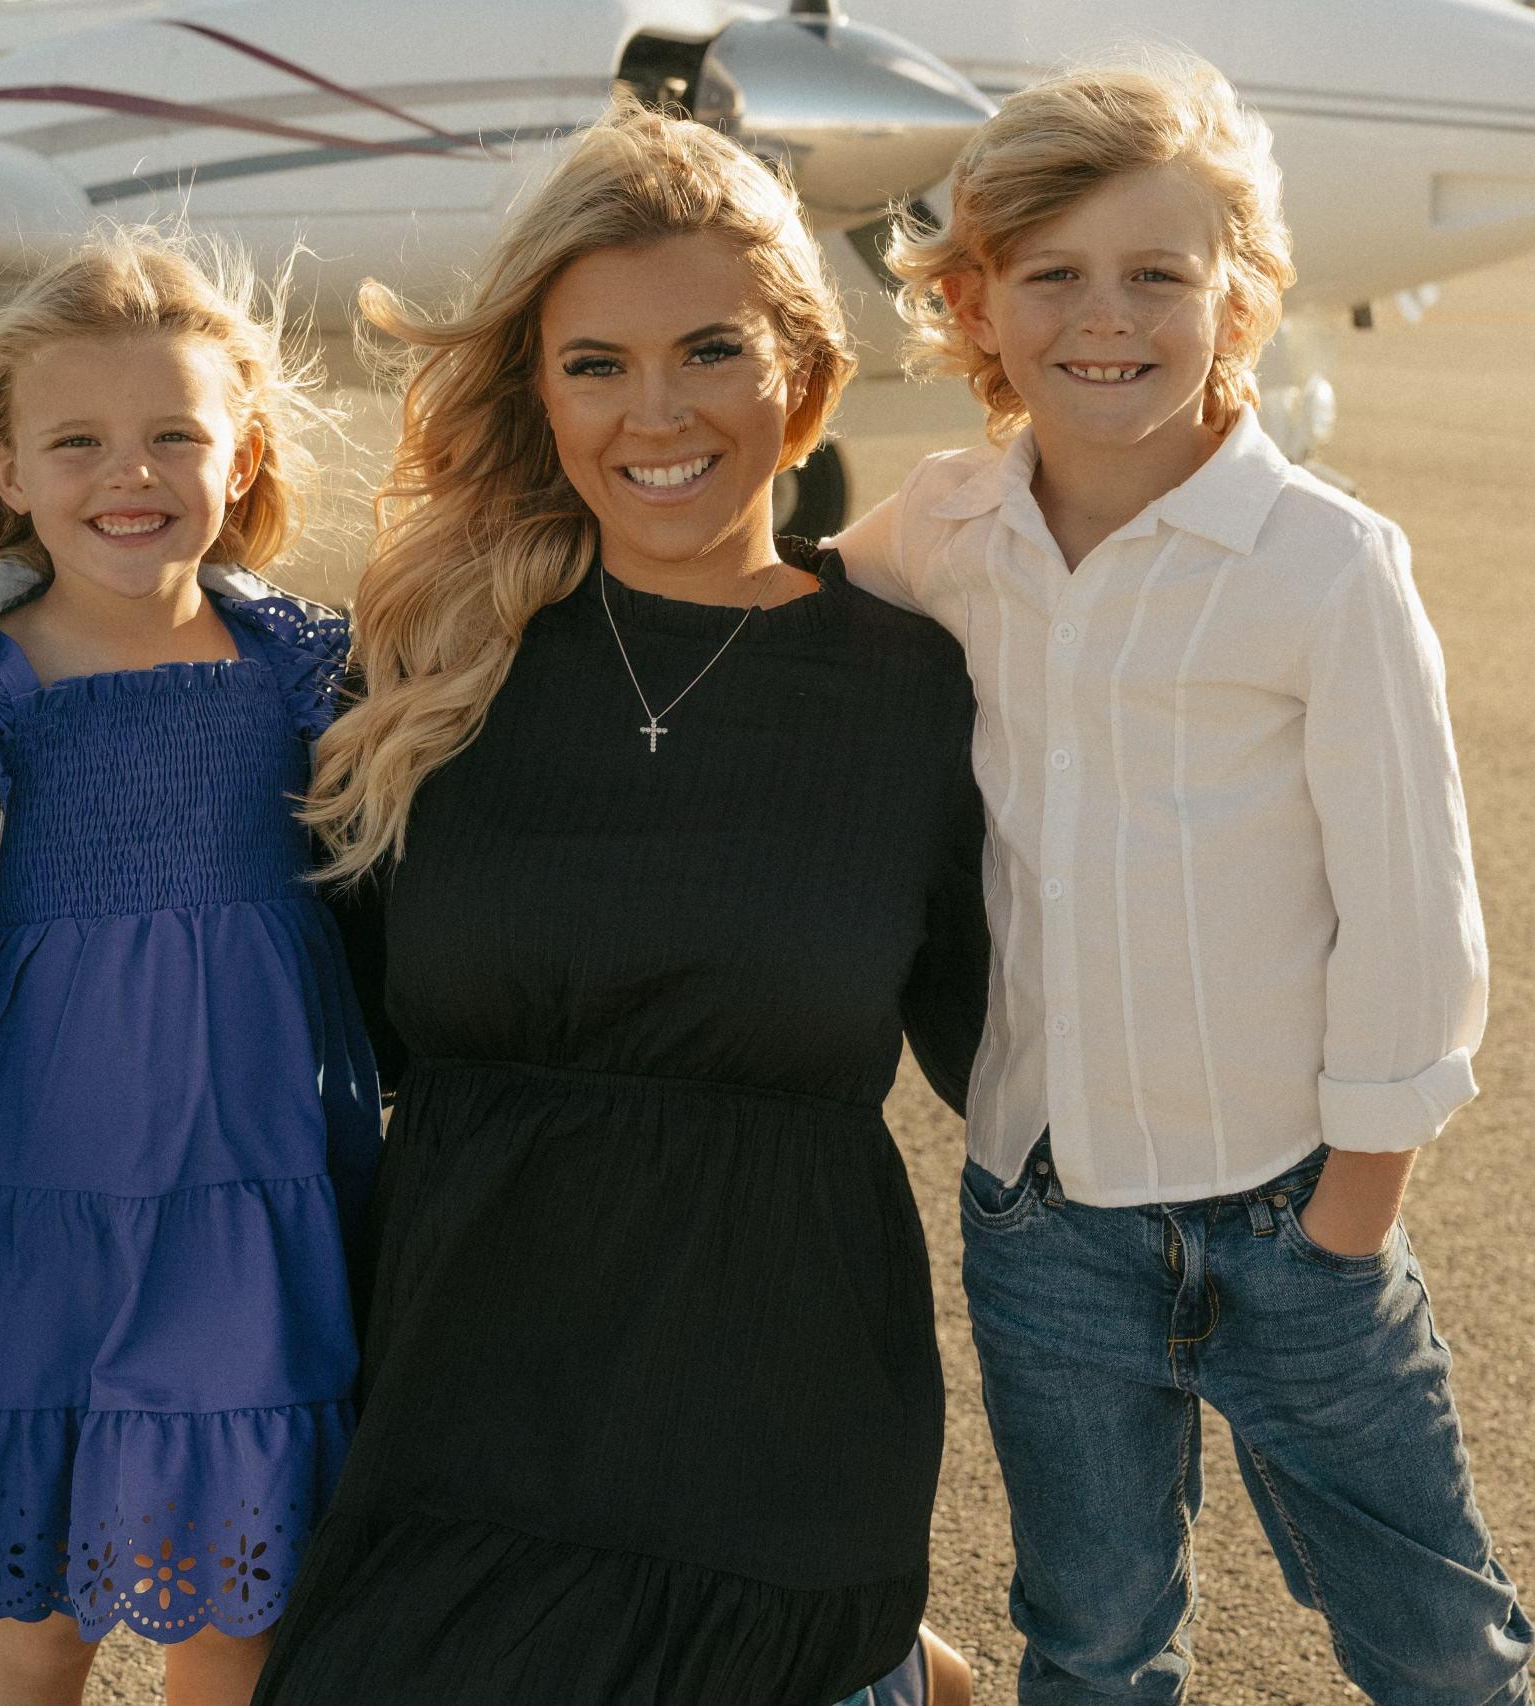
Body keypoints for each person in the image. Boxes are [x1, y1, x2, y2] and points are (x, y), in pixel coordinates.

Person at [250, 99, 988, 1706]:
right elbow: (267, 1036)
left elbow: (1030, 1076)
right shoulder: (426, 673)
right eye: (595, 363)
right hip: (455, 1459)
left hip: (781, 1491)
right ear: (538, 391)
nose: (655, 412)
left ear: (804, 374)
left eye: (710, 350)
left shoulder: (914, 692)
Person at [830, 55, 1534, 1706]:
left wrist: (1346, 1219)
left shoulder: (1324, 566)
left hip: (1293, 1222)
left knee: (1437, 1647)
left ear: (1240, 291)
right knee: (1091, 1640)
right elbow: (772, 612)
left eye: (1158, 272)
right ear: (970, 300)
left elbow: (1412, 916)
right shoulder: (947, 526)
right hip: (1041, 1225)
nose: (1106, 317)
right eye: (1052, 274)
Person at [0, 227, 382, 1706]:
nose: (126, 473)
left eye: (172, 436)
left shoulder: (313, 675)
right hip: (21, 1214)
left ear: (242, 455)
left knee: (236, 1616)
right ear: (6, 469)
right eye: (76, 441)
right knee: (39, 1618)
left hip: (250, 1203)